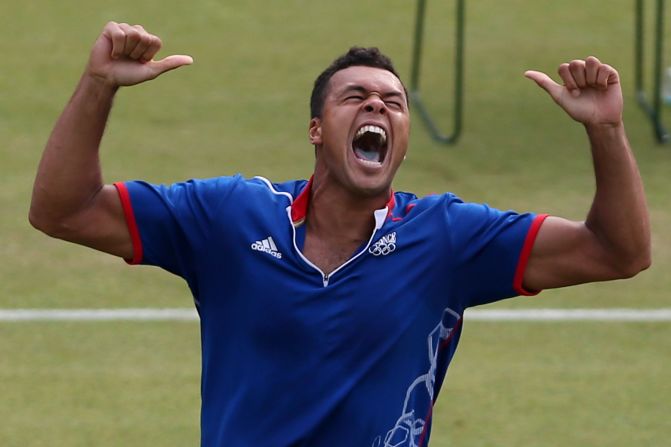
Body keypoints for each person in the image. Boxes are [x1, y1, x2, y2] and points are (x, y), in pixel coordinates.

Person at [30, 21, 650, 447]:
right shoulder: (229, 217)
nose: (377, 107)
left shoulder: (448, 238)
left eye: (394, 102)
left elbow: (618, 251)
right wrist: (99, 85)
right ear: (317, 130)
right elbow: (64, 209)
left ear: (402, 140)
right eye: (355, 97)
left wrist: (605, 131)